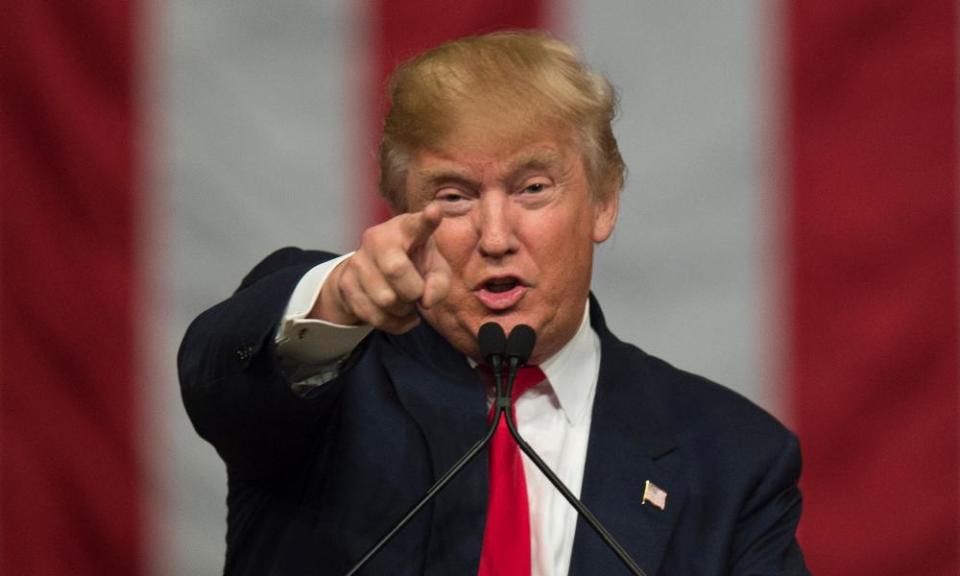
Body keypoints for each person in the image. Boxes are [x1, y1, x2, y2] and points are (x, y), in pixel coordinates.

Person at [179, 31, 808, 576]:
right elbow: (217, 374)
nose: (496, 237)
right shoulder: (324, 378)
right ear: (402, 212)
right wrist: (344, 294)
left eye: (533, 188)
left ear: (604, 202)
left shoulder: (732, 457)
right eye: (453, 196)